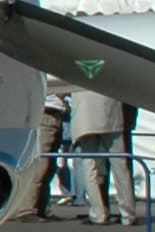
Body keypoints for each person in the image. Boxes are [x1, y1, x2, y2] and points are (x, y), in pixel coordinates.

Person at [68, 84, 133, 224]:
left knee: (89, 165)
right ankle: (128, 214)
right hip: (109, 110)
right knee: (120, 164)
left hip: (83, 114)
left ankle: (98, 213)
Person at [28, 89, 68, 218]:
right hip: (45, 111)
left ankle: (40, 208)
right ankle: (27, 209)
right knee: (41, 165)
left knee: (49, 166)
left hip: (53, 113)